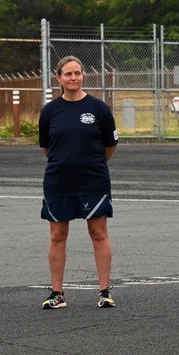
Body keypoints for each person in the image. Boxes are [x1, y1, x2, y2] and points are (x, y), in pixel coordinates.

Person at [38, 56, 119, 309]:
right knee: (57, 235)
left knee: (98, 233)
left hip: (93, 180)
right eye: (68, 74)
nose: (73, 78)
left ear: (83, 75)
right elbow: (46, 147)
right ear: (58, 78)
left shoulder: (99, 108)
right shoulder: (50, 111)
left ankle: (104, 291)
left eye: (78, 73)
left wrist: (91, 163)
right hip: (58, 181)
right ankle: (57, 294)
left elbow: (110, 145)